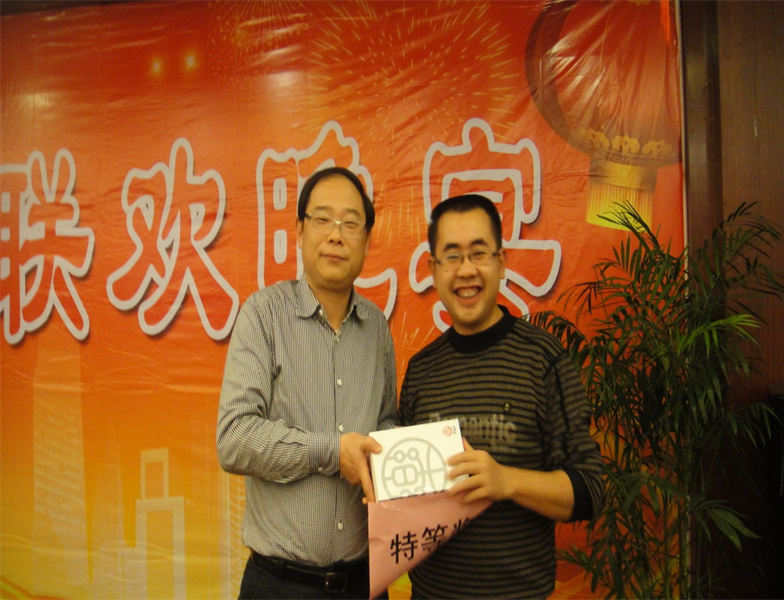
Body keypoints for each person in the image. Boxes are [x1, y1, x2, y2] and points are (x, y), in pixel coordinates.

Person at [399, 194, 604, 599]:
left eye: (479, 253)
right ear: (433, 269)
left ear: (502, 262)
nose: (466, 270)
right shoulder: (421, 371)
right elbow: (406, 499)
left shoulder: (543, 359)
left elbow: (590, 490)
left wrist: (506, 481)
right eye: (452, 256)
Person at [217, 166, 397, 599]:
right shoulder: (263, 315)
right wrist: (333, 452)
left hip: (364, 583)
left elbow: (387, 421)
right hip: (280, 584)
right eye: (322, 219)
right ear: (299, 231)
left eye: (350, 223)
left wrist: (395, 456)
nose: (336, 235)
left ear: (367, 240)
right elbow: (234, 438)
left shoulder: (376, 328)